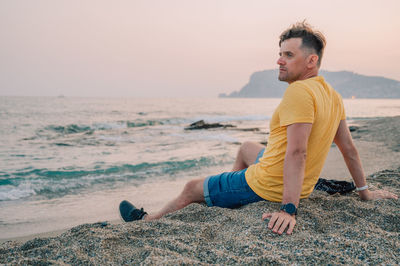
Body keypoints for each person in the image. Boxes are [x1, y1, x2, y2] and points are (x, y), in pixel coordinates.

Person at [119, 22, 398, 235]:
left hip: (269, 185)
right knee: (246, 148)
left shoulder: (299, 93)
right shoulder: (332, 95)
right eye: (280, 54)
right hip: (289, 178)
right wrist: (365, 192)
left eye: (289, 55)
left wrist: (289, 209)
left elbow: (298, 153)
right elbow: (348, 148)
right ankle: (221, 195)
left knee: (190, 187)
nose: (279, 60)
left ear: (311, 60)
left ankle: (146, 220)